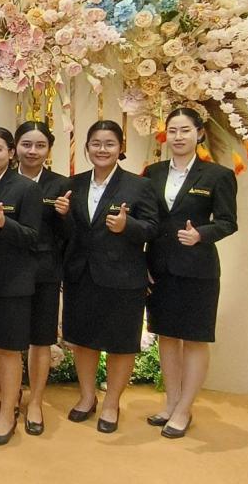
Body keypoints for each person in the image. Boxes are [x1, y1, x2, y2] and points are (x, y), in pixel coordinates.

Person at [57, 120, 158, 434]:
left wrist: (128, 226)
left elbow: (152, 228)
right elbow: (68, 234)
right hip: (80, 275)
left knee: (120, 344)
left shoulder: (138, 185)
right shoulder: (73, 184)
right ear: (87, 147)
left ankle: (112, 403)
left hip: (123, 277)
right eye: (96, 143)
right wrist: (62, 216)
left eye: (110, 143)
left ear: (120, 148)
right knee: (83, 340)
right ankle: (87, 397)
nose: (102, 149)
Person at [144, 108, 238, 438]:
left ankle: (184, 409)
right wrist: (143, 263)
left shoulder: (217, 175)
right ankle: (171, 402)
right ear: (165, 135)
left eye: (185, 130)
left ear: (199, 133)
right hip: (160, 267)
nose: (178, 137)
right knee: (167, 335)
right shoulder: (152, 173)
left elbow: (227, 222)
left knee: (195, 339)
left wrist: (201, 234)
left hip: (198, 270)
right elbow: (148, 221)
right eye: (173, 130)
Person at [0, 127, 41, 446]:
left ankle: (8, 413)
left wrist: (5, 225)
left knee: (8, 349)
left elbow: (33, 237)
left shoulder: (26, 188)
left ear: (11, 153)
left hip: (12, 282)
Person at [14, 121, 70, 436]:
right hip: (7, 272)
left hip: (45, 272)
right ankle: (10, 396)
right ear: (16, 147)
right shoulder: (2, 180)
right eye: (26, 144)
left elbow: (72, 235)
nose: (32, 151)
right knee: (8, 339)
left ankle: (35, 401)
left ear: (49, 149)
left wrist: (65, 216)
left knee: (41, 338)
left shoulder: (61, 185)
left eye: (39, 145)